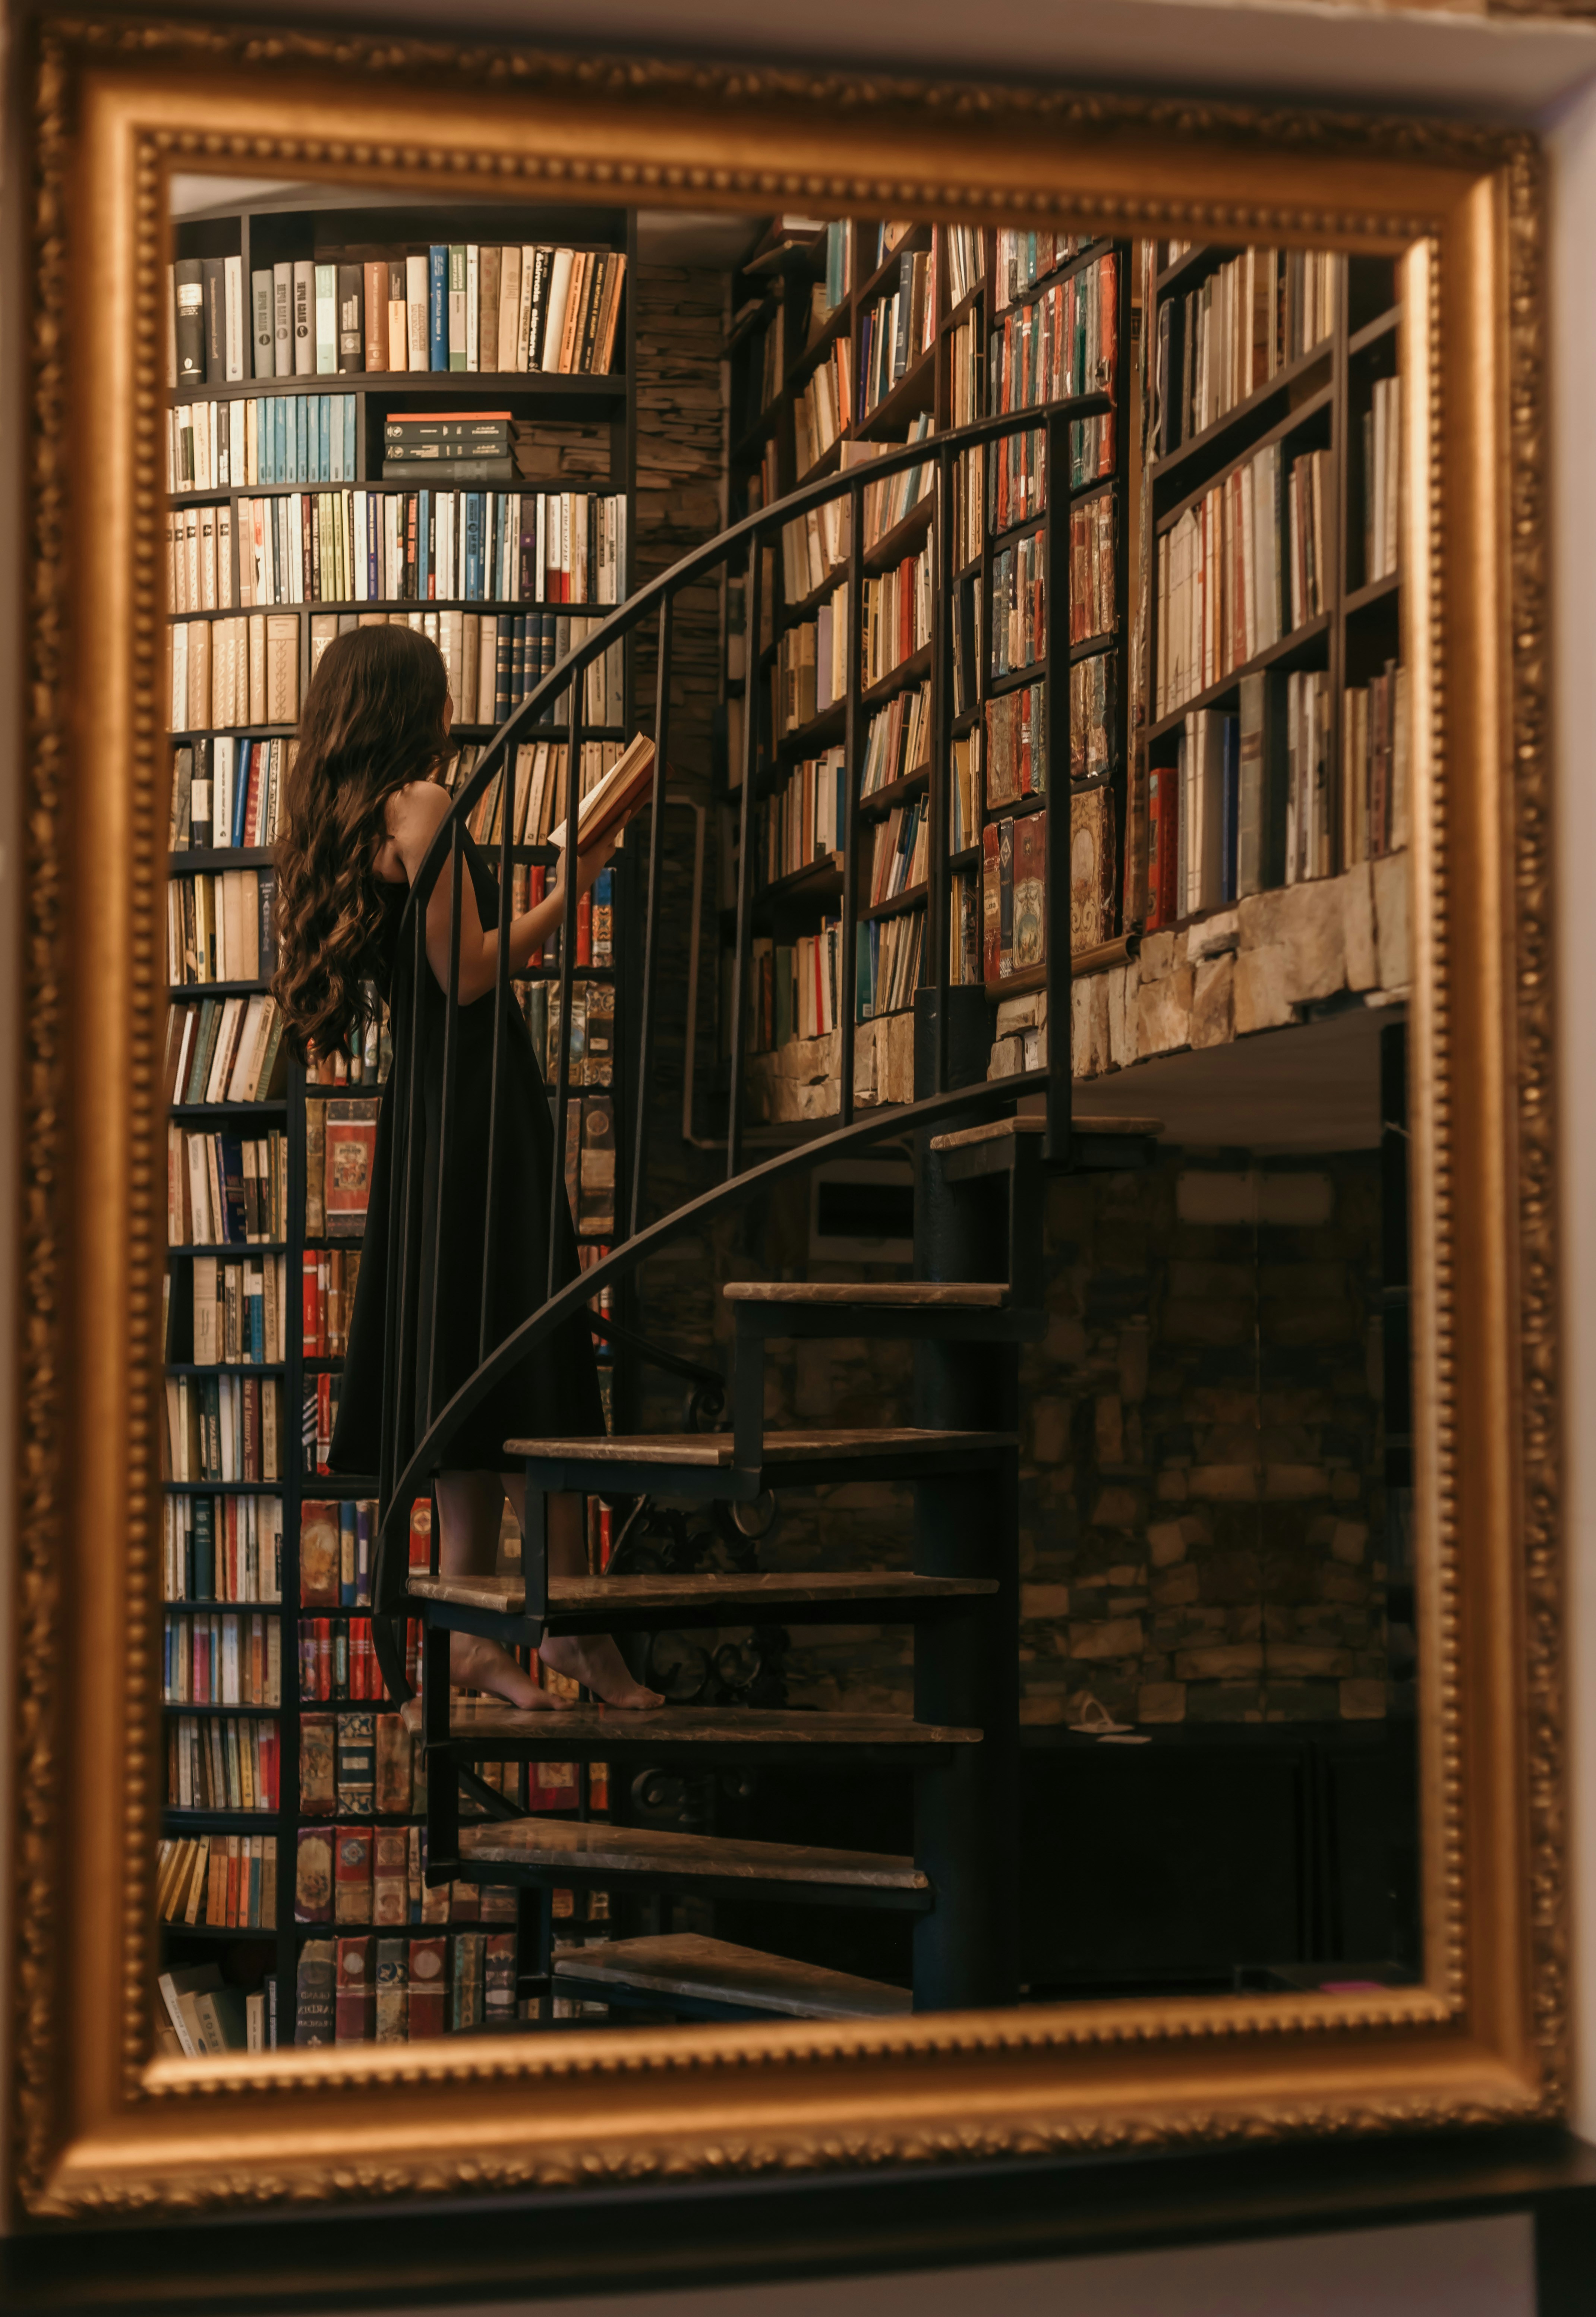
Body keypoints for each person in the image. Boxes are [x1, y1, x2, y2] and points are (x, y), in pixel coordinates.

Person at [272, 622, 660, 1712]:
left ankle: (475, 1632)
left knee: (470, 1365)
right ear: (410, 704)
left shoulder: (359, 821)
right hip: (481, 1109)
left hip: (438, 1114)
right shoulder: (424, 805)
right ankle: (562, 1624)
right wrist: (575, 882)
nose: (452, 717)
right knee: (524, 1359)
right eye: (441, 697)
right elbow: (473, 975)